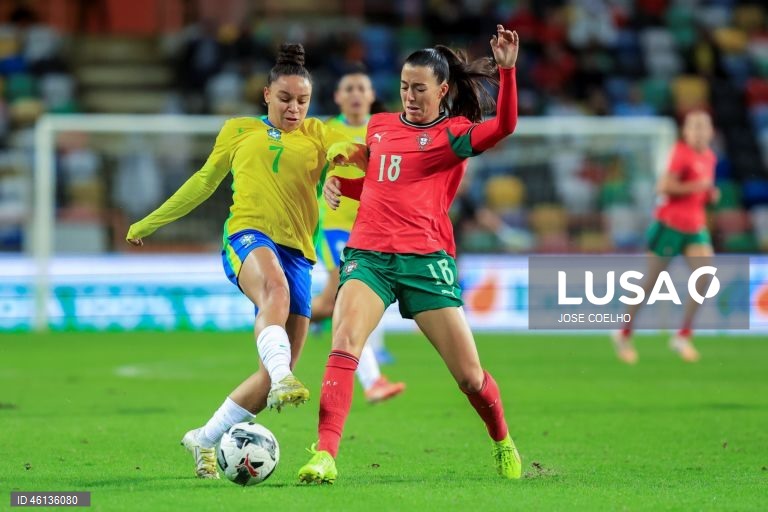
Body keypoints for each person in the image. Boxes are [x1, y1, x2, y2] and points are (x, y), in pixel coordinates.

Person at [297, 24, 523, 484]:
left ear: (442, 90)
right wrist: (346, 184)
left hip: (426, 262)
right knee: (343, 345)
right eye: (403, 87)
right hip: (369, 256)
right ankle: (324, 455)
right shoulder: (380, 127)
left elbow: (504, 126)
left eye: (419, 89)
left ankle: (502, 442)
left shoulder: (454, 134)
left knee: (470, 378)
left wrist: (507, 73)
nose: (410, 96)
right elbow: (383, 183)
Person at [126, 43, 355, 479]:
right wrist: (149, 223)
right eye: (285, 98)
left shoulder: (317, 134)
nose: (294, 108)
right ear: (266, 94)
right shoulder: (238, 130)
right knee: (275, 294)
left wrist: (343, 158)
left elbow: (350, 145)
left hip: (299, 254)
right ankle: (283, 376)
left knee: (270, 376)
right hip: (247, 236)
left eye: (302, 101)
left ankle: (204, 439)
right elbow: (202, 182)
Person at [314, 65, 406, 403]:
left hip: (374, 227)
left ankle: (278, 316)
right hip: (337, 227)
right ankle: (373, 381)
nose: (355, 94)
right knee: (345, 294)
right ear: (338, 97)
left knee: (330, 304)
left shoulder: (385, 131)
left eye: (361, 88)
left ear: (371, 96)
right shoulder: (324, 132)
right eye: (348, 88)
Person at [612, 110, 719, 364]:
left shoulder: (709, 157)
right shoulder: (681, 153)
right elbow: (663, 187)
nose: (700, 131)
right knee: (652, 283)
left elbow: (700, 193)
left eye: (704, 127)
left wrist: (710, 196)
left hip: (695, 226)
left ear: (711, 131)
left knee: (705, 276)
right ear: (686, 131)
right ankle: (624, 332)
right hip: (670, 225)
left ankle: (683, 335)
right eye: (695, 127)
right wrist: (696, 187)